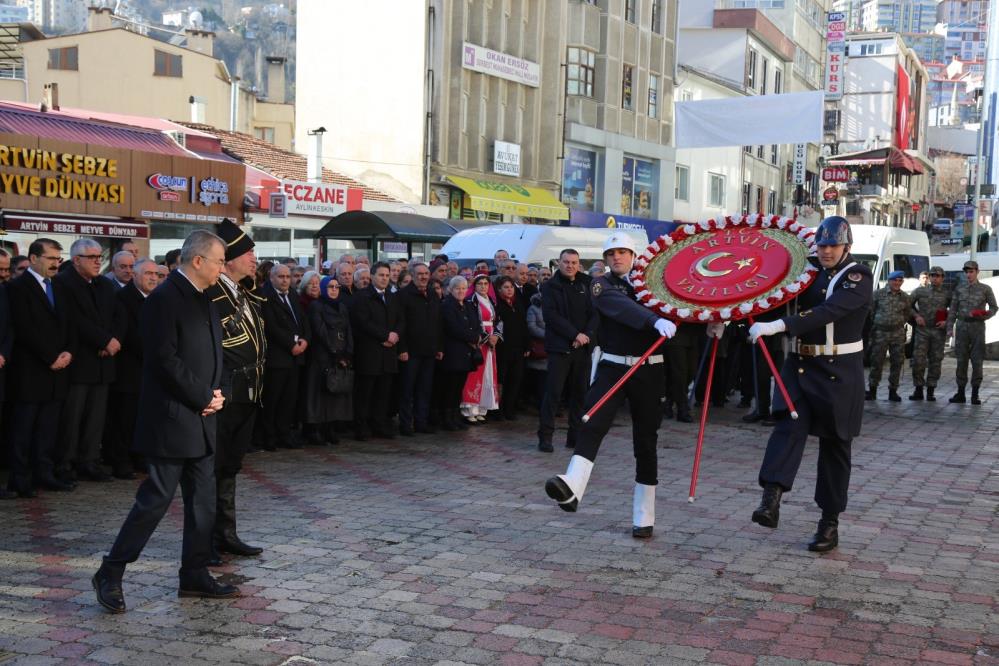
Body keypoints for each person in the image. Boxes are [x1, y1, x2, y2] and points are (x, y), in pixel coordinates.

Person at [93, 231, 238, 613]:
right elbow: (163, 360)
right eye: (219, 261)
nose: (223, 268)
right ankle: (111, 571)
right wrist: (202, 396)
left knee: (203, 503)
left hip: (203, 418)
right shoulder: (163, 300)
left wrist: (218, 394)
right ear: (198, 261)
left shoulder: (206, 298)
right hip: (172, 419)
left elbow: (218, 355)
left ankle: (194, 573)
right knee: (154, 502)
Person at [749, 216, 873, 552]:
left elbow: (829, 311)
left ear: (847, 246)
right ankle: (771, 498)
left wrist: (780, 326)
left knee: (835, 446)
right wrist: (732, 318)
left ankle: (829, 523)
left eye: (833, 245)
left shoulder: (858, 276)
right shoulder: (805, 271)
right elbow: (770, 297)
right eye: (822, 245)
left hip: (838, 370)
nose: (827, 251)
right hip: (800, 365)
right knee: (787, 428)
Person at [544, 234, 676, 538]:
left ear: (634, 255)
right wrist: (653, 320)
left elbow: (681, 306)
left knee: (646, 441)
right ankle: (573, 485)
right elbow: (619, 307)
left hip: (649, 370)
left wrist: (707, 320)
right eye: (611, 253)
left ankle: (644, 515)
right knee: (592, 421)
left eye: (622, 252)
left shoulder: (655, 285)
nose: (616, 257)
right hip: (613, 367)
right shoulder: (600, 284)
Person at [207, 220, 266, 559]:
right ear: (229, 260)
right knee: (213, 468)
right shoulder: (213, 290)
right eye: (248, 253)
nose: (254, 259)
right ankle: (206, 540)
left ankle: (226, 534)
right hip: (226, 390)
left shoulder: (241, 290)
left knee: (230, 466)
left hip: (247, 390)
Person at [6, 239, 75, 497]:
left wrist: (68, 351)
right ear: (34, 259)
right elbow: (24, 328)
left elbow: (70, 324)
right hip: (31, 370)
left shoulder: (59, 287)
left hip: (58, 371)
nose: (56, 263)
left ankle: (44, 473)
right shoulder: (17, 288)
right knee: (24, 429)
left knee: (48, 428)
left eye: (58, 258)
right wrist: (50, 357)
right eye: (50, 258)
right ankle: (20, 479)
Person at [55, 238, 119, 483]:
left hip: (104, 363)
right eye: (91, 257)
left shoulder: (104, 284)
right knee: (72, 417)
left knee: (96, 418)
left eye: (99, 257)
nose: (97, 261)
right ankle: (65, 463)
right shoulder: (63, 283)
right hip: (79, 361)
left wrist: (113, 340)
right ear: (76, 260)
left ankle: (89, 461)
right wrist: (103, 340)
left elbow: (118, 315)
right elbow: (74, 319)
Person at [537, 249, 598, 452]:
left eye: (574, 262)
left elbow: (595, 313)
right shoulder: (550, 286)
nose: (570, 266)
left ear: (579, 264)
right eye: (566, 262)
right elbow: (551, 316)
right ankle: (545, 437)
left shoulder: (587, 283)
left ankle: (575, 437)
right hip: (559, 348)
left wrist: (586, 335)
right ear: (559, 263)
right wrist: (574, 335)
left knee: (580, 394)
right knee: (553, 394)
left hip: (583, 347)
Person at [108, 258, 158, 479]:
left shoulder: (157, 298)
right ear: (135, 276)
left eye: (156, 274)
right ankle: (121, 461)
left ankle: (140, 457)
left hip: (150, 370)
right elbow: (128, 334)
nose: (153, 278)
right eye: (148, 273)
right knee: (124, 420)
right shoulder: (123, 298)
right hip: (129, 370)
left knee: (143, 419)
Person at [351, 261, 405, 439]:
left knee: (383, 392)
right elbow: (363, 322)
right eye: (381, 275)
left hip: (389, 352)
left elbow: (401, 320)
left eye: (387, 275)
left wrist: (395, 335)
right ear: (372, 276)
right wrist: (384, 336)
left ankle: (379, 424)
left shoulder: (392, 296)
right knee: (365, 393)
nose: (384, 278)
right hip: (369, 352)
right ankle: (361, 426)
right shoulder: (362, 297)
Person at [261, 264, 311, 449]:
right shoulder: (266, 297)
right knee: (272, 399)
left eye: (287, 277)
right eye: (281, 277)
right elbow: (271, 326)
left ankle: (284, 434)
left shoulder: (293, 295)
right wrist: (291, 345)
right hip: (278, 357)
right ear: (272, 277)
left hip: (295, 357)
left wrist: (305, 340)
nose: (285, 280)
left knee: (289, 400)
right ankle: (269, 436)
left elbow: (303, 320)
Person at [303, 276, 353, 444]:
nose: (334, 290)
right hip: (322, 356)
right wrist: (335, 352)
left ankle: (329, 428)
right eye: (330, 287)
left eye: (336, 287)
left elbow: (348, 330)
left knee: (334, 395)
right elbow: (320, 331)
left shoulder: (342, 307)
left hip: (339, 356)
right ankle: (315, 429)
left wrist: (347, 353)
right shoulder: (316, 306)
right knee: (318, 394)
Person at [397, 262, 443, 435]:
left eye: (426, 274)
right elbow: (400, 324)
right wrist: (402, 349)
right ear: (412, 275)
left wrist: (439, 347)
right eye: (420, 274)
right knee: (407, 390)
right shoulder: (403, 295)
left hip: (429, 351)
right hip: (410, 351)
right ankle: (405, 424)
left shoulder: (432, 294)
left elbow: (438, 323)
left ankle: (421, 422)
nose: (423, 277)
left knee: (425, 389)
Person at [946, 260, 997, 404]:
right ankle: (960, 393)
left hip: (977, 327)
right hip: (962, 327)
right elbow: (953, 310)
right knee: (961, 360)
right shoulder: (959, 289)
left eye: (971, 272)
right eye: (966, 272)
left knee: (977, 360)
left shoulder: (985, 289)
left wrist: (984, 314)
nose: (968, 274)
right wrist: (949, 327)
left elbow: (994, 307)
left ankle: (975, 394)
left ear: (977, 272)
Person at [440, 276, 480, 431]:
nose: (461, 291)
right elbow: (453, 328)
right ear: (451, 289)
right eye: (457, 288)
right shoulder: (447, 306)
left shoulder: (469, 305)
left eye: (463, 288)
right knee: (450, 387)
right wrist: (472, 338)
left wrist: (476, 336)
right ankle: (447, 419)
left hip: (466, 353)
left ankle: (456, 417)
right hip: (453, 352)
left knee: (459, 387)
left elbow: (476, 324)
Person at [865, 270, 911, 402]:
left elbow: (907, 314)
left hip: (897, 333)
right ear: (889, 281)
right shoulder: (878, 294)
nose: (897, 283)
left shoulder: (905, 297)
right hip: (880, 333)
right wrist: (880, 323)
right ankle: (872, 390)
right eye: (894, 280)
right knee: (876, 362)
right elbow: (871, 312)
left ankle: (893, 391)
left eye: (900, 280)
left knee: (897, 362)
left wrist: (897, 323)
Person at [460, 273, 500, 423]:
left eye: (485, 284)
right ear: (474, 286)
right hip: (479, 341)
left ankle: (482, 408)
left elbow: (498, 320)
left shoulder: (491, 301)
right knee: (475, 374)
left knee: (488, 374)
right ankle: (470, 409)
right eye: (480, 284)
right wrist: (485, 337)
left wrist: (496, 336)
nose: (483, 286)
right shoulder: (472, 301)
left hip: (491, 343)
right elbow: (472, 322)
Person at [908, 266, 951, 401]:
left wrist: (946, 321)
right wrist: (916, 316)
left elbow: (955, 310)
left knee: (935, 361)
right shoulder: (920, 291)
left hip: (938, 332)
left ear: (942, 278)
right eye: (932, 275)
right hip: (923, 331)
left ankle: (931, 390)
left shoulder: (948, 293)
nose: (934, 278)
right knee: (918, 360)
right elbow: (907, 305)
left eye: (937, 276)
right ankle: (918, 389)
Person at [494, 276, 529, 421]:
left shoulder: (518, 304)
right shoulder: (497, 305)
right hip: (503, 349)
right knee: (502, 380)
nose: (509, 290)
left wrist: (527, 345)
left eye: (511, 287)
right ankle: (498, 410)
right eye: (506, 287)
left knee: (515, 380)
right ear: (499, 289)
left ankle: (510, 409)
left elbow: (524, 325)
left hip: (518, 349)